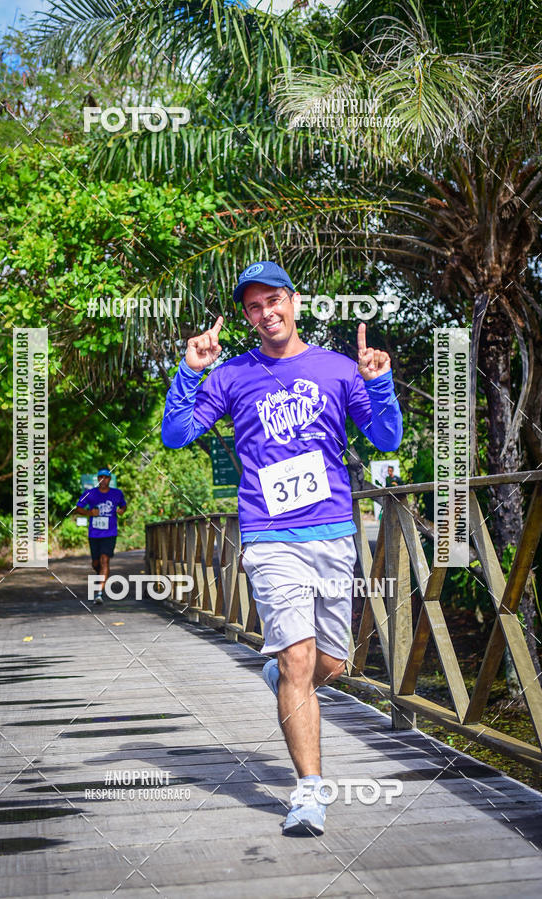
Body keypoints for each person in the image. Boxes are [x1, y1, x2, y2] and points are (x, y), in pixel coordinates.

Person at [161, 261, 402, 836]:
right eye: (253, 306)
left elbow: (387, 437)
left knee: (330, 665)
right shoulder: (233, 375)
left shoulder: (338, 368)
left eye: (274, 301)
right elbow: (176, 434)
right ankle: (310, 794)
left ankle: (283, 679)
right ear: (246, 317)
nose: (265, 312)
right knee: (298, 659)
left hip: (332, 535)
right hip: (269, 536)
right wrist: (190, 372)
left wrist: (378, 382)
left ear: (294, 303)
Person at [76, 468, 127, 605]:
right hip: (94, 533)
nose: (103, 480)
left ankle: (99, 593)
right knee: (96, 563)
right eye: (101, 477)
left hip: (110, 532)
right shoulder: (90, 493)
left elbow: (123, 506)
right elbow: (78, 508)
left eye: (106, 477)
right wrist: (89, 513)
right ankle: (101, 575)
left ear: (110, 479)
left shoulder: (117, 493)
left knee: (105, 560)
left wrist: (121, 510)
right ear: (97, 479)